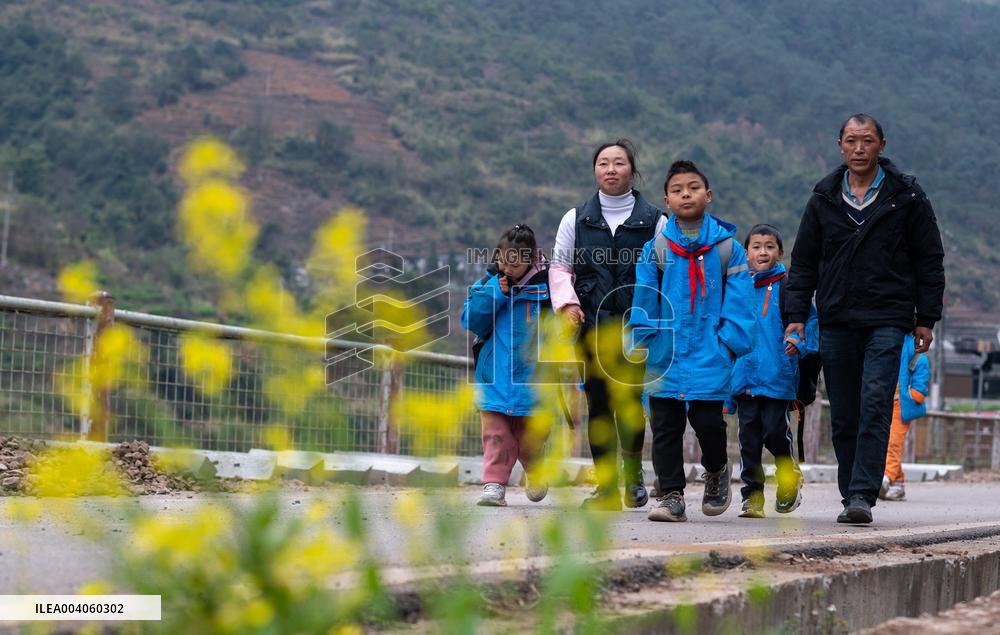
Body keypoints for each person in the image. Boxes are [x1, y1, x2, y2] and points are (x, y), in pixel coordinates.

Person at [784, 113, 945, 524]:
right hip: (837, 318)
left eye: (867, 141)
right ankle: (849, 491)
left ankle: (861, 495)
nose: (859, 148)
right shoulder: (823, 198)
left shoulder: (906, 196)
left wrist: (925, 318)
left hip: (888, 318)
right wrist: (796, 315)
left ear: (881, 146)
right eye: (852, 140)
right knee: (845, 411)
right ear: (840, 144)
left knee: (876, 403)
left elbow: (929, 259)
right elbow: (803, 262)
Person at [628, 160, 755, 522]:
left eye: (694, 187)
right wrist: (643, 340)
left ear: (708, 195)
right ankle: (671, 495)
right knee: (665, 426)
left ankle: (716, 472)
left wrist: (726, 344)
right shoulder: (657, 247)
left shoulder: (728, 248)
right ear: (666, 201)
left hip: (708, 352)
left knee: (709, 424)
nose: (686, 194)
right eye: (678, 189)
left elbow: (741, 303)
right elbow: (644, 296)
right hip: (665, 353)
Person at [549, 139, 663, 511]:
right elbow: (560, 267)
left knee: (630, 403)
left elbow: (665, 271)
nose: (610, 169)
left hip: (634, 328)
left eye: (618, 163)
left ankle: (632, 476)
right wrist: (567, 305)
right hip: (591, 327)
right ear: (595, 170)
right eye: (603, 163)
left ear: (632, 169)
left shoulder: (655, 220)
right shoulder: (576, 218)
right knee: (597, 404)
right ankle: (606, 488)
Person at [724, 224, 818, 519]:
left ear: (780, 252)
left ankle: (789, 478)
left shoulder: (789, 288)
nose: (762, 252)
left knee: (777, 432)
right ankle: (752, 496)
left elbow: (809, 323)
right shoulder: (736, 288)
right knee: (748, 439)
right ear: (745, 252)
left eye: (769, 246)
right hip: (743, 377)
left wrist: (797, 341)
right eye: (756, 246)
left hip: (777, 375)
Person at [462, 224, 552, 507]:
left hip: (533, 379)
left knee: (529, 438)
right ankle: (494, 485)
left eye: (515, 262)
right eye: (503, 260)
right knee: (496, 434)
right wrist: (494, 295)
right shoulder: (486, 285)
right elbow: (470, 321)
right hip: (494, 375)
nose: (507, 268)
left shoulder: (548, 289)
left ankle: (536, 470)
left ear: (531, 259)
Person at [880, 332, 930, 501]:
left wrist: (911, 394)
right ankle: (898, 482)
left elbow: (921, 368)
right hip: (884, 401)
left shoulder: (912, 347)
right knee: (886, 442)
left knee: (893, 443)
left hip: (900, 404)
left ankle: (886, 479)